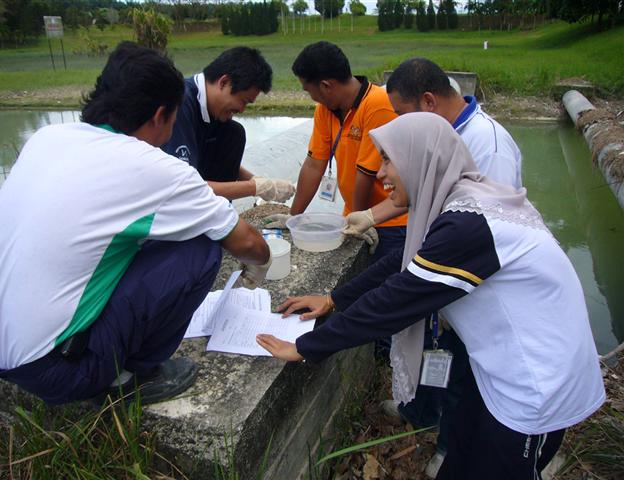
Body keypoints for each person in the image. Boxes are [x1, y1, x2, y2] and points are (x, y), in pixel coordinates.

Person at [257, 113, 605, 480]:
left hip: (535, 383)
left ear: (419, 159)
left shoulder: (470, 223)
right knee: (460, 457)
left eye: (388, 160)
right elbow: (404, 260)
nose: (380, 174)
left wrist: (307, 346)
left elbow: (394, 302)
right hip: (498, 366)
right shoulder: (463, 198)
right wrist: (334, 299)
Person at [0, 42, 271, 406]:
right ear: (160, 115)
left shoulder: (48, 138)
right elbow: (246, 243)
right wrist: (261, 264)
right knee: (202, 246)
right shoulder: (153, 167)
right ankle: (133, 376)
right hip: (56, 372)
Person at [345, 57, 524, 476]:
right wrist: (371, 215)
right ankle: (420, 410)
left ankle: (448, 445)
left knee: (462, 366)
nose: (401, 125)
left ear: (428, 101)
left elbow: (488, 232)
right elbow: (418, 187)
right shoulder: (444, 131)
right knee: (430, 345)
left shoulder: (489, 148)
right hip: (441, 258)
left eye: (403, 114)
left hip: (470, 279)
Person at [264, 41, 406, 257]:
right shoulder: (325, 110)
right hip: (353, 216)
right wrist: (294, 217)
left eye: (309, 91)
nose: (311, 97)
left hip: (389, 221)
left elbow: (366, 173)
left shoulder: (377, 105)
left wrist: (359, 222)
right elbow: (314, 165)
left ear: (325, 86)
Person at [161, 47, 295, 203]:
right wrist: (255, 187)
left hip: (192, 189)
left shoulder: (213, 112)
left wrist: (260, 182)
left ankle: (220, 210)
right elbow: (183, 187)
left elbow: (223, 163)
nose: (242, 110)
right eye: (244, 101)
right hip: (168, 200)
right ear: (224, 82)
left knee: (234, 133)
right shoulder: (180, 105)